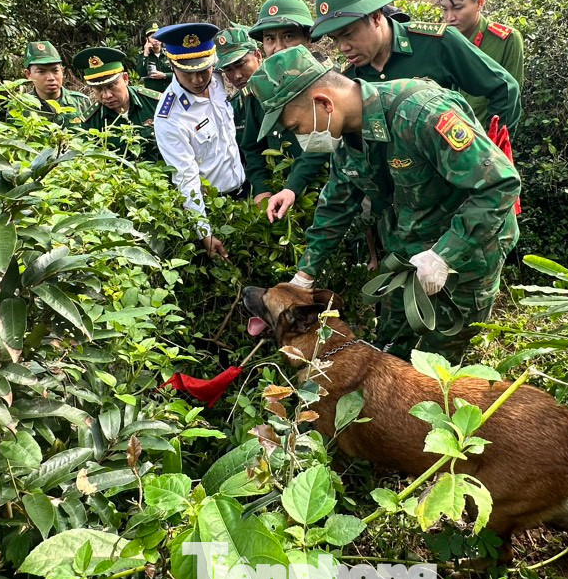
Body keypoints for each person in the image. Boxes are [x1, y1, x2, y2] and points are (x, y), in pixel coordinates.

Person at [247, 46, 520, 362]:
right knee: (389, 351)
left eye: (297, 127)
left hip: (466, 257)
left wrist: (444, 255)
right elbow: (337, 203)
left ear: (324, 103)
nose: (301, 137)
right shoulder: (344, 135)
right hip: (407, 254)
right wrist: (306, 273)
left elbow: (500, 184)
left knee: (436, 364)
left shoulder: (421, 113)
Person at [310, 0, 523, 154]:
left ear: (375, 17)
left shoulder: (435, 44)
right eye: (335, 39)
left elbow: (504, 88)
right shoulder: (350, 80)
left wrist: (489, 153)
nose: (343, 47)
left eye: (349, 34)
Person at [219, 22, 332, 223]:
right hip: (283, 194)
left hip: (325, 190)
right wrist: (262, 189)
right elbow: (252, 147)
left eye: (289, 37)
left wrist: (292, 186)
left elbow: (323, 140)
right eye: (270, 39)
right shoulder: (254, 95)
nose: (278, 48)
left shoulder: (326, 83)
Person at [152, 22, 246, 259]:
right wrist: (205, 231)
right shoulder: (169, 117)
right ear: (172, 66)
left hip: (246, 191)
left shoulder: (218, 80)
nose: (197, 80)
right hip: (214, 209)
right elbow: (185, 177)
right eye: (187, 73)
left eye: (203, 70)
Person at [437, 0, 525, 126]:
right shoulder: (442, 40)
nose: (450, 18)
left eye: (457, 8)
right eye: (445, 9)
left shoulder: (506, 40)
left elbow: (509, 99)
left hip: (485, 137)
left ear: (480, 3)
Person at [71, 46, 162, 160]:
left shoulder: (155, 103)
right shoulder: (92, 121)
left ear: (125, 78)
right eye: (98, 89)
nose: (106, 95)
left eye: (111, 86)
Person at [21, 40, 94, 126]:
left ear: (62, 71)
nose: (51, 78)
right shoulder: (20, 106)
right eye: (41, 72)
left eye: (55, 70)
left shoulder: (82, 102)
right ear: (28, 74)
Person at [137, 21, 171, 93]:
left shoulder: (169, 54)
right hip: (152, 95)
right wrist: (145, 54)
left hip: (170, 93)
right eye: (153, 37)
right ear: (147, 39)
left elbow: (179, 74)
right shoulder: (142, 56)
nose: (156, 40)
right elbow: (141, 74)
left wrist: (165, 75)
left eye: (158, 36)